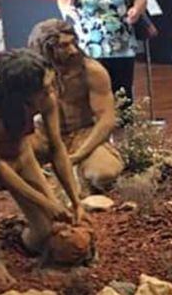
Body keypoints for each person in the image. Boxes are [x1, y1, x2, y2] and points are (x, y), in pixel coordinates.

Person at [0, 49, 83, 285]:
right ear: (20, 95)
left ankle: (19, 238)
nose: (51, 92)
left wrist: (75, 201)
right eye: (44, 89)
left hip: (21, 159)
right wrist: (46, 202)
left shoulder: (46, 98)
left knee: (46, 234)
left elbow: (57, 148)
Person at [27, 19, 123, 191]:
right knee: (3, 160)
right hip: (44, 135)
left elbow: (106, 120)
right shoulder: (31, 73)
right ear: (46, 48)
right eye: (63, 46)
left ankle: (78, 172)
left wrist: (78, 156)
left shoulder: (92, 71)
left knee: (104, 173)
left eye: (73, 43)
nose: (72, 50)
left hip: (82, 134)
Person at [58, 0, 146, 102]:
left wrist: (136, 9)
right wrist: (69, 9)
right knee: (96, 92)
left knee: (123, 92)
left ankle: (125, 127)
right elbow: (64, 0)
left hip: (123, 44)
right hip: (92, 46)